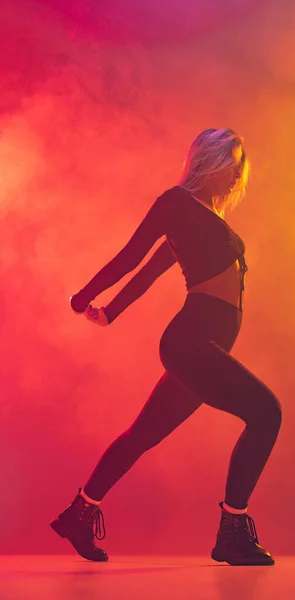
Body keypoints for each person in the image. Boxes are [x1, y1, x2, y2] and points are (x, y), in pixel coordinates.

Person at [50, 128, 282, 566]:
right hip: (191, 342)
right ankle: (232, 532)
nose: (237, 175)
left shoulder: (205, 218)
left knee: (142, 435)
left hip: (203, 346)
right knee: (267, 413)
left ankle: (79, 514)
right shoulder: (175, 203)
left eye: (241, 168)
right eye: (232, 164)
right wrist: (84, 300)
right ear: (209, 161)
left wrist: (114, 310)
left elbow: (155, 268)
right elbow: (131, 256)